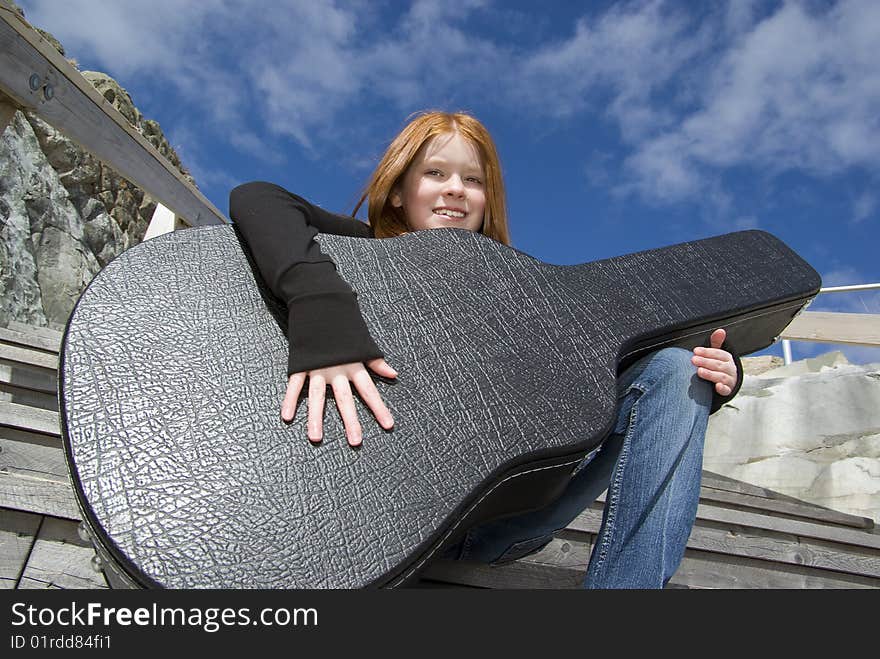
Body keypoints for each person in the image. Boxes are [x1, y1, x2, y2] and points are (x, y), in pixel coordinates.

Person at [229, 110, 742, 589]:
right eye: (435, 173)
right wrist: (324, 315)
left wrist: (712, 373)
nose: (456, 189)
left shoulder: (523, 289)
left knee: (675, 368)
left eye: (474, 180)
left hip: (494, 521)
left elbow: (620, 374)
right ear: (399, 192)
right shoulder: (366, 249)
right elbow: (260, 197)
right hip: (363, 519)